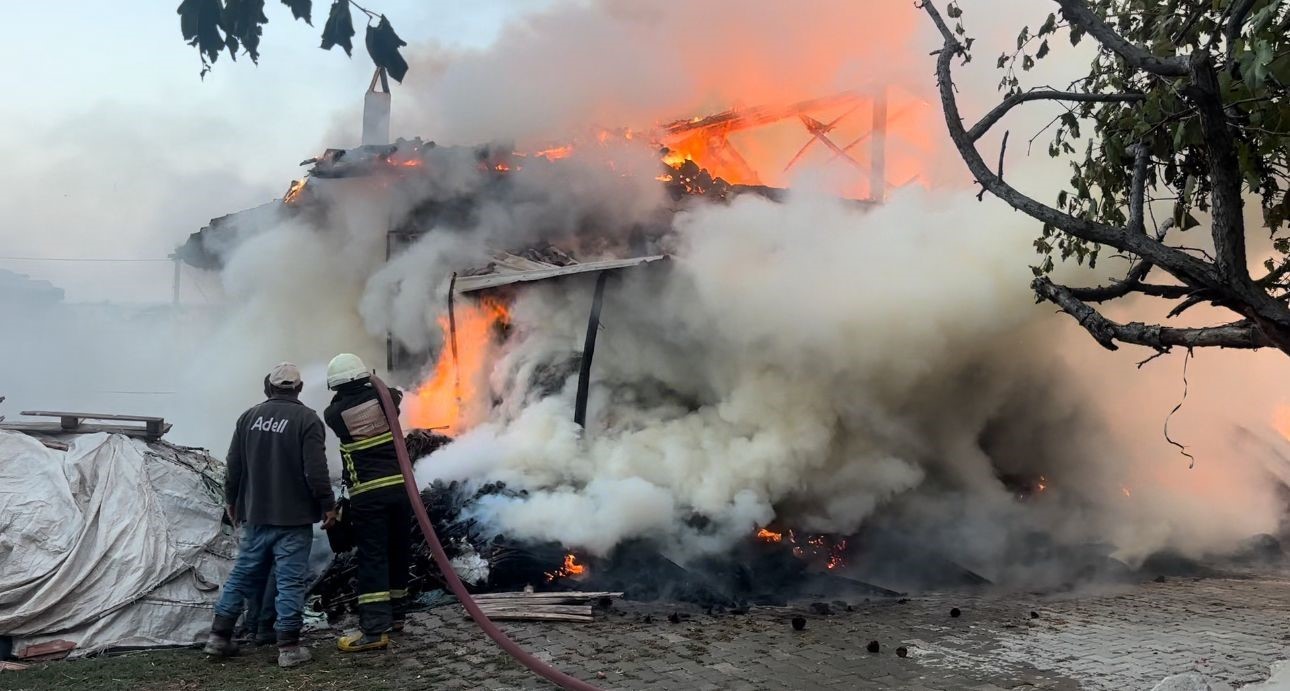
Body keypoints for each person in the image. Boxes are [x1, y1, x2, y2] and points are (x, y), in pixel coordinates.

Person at [204, 362, 337, 668]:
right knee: (290, 581)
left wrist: (232, 502)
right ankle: (288, 649)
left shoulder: (248, 418)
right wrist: (328, 505)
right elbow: (316, 472)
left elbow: (234, 466)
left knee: (242, 575)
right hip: (294, 519)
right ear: (299, 388)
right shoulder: (307, 419)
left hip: (256, 516)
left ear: (269, 388)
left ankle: (218, 637)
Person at [323, 353, 412, 653]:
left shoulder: (334, 414)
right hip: (401, 490)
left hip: (368, 495)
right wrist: (376, 383)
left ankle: (374, 630)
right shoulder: (386, 400)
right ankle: (397, 615)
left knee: (373, 557)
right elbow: (396, 396)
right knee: (398, 550)